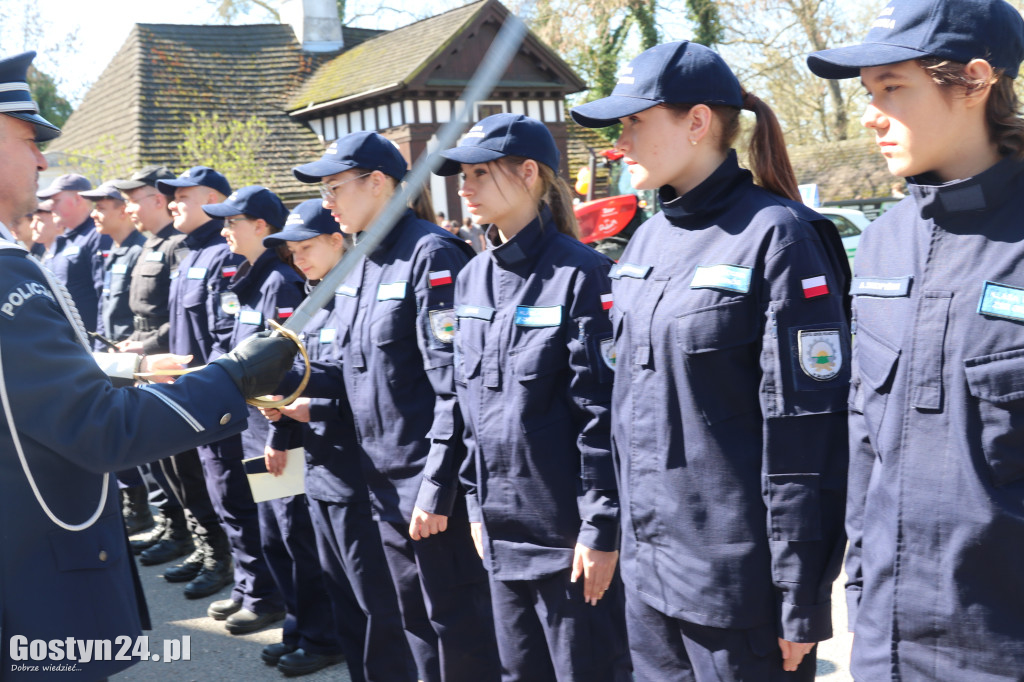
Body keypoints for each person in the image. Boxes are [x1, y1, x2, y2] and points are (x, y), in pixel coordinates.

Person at [0, 50, 297, 681]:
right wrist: (237, 377)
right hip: (33, 581)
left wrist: (121, 368)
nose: (44, 160)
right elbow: (98, 428)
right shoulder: (5, 273)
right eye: (30, 140)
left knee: (259, 512)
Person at [570, 41, 850, 681]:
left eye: (636, 121)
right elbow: (623, 409)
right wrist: (609, 528)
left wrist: (800, 594)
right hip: (650, 576)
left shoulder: (779, 236)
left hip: (738, 589)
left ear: (697, 122)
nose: (622, 141)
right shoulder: (646, 237)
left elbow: (808, 431)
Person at [806, 1, 1024, 679]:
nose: (871, 113)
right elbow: (866, 444)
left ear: (975, 81)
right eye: (868, 93)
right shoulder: (880, 246)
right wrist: (864, 597)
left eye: (893, 87)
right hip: (885, 649)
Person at [291, 131, 500, 681]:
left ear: (378, 183)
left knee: (459, 632)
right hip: (379, 487)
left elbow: (456, 385)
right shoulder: (361, 263)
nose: (327, 202)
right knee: (414, 628)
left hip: (429, 492)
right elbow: (353, 368)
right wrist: (273, 380)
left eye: (334, 187)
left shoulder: (431, 254)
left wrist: (436, 487)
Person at [433, 112, 630, 681]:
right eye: (461, 175)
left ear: (528, 174)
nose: (463, 186)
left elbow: (602, 419)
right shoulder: (471, 279)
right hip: (498, 534)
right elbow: (467, 407)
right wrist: (472, 505)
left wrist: (599, 528)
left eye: (478, 173)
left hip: (567, 541)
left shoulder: (583, 276)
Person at [260, 199, 418, 681]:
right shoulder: (304, 299)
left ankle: (316, 639)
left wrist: (312, 410)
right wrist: (280, 431)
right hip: (311, 460)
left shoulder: (353, 297)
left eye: (307, 247)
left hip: (356, 472)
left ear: (337, 241)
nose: (298, 259)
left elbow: (378, 388)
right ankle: (310, 635)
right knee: (325, 577)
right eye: (291, 252)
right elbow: (304, 374)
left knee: (378, 605)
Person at [164, 170, 284, 630]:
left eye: (234, 221)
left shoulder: (275, 280)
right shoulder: (242, 271)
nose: (226, 229)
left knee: (263, 510)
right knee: (228, 498)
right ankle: (251, 587)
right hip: (220, 402)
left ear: (261, 227)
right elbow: (222, 335)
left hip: (255, 418)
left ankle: (271, 597)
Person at [38, 173, 111, 340]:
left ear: (78, 199)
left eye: (56, 201)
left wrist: (102, 341)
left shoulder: (97, 236)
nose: (52, 207)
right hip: (65, 338)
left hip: (90, 340)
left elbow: (104, 296)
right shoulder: (62, 240)